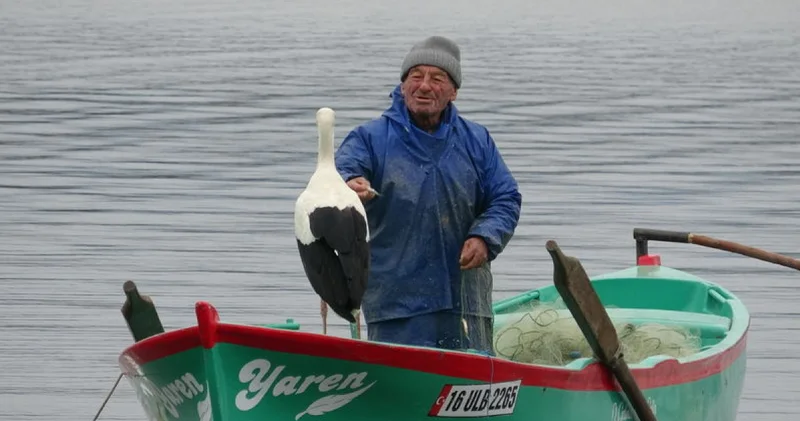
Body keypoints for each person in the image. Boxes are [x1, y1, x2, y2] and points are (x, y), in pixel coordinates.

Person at [334, 35, 521, 355]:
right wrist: (351, 184)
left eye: (437, 78)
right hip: (397, 305)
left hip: (467, 302)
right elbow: (340, 171)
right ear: (403, 84)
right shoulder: (369, 138)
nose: (424, 86)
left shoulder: (477, 140)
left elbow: (505, 198)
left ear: (453, 91)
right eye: (415, 76)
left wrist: (484, 237)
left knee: (471, 385)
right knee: (400, 384)